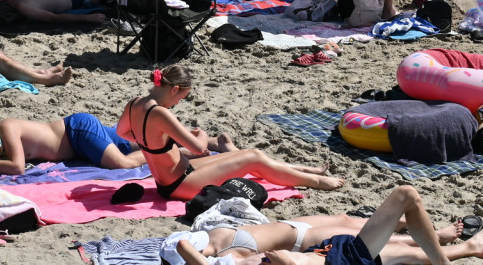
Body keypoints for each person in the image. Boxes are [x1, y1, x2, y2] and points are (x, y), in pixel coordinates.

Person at [117, 65, 343, 200]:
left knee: (250, 153)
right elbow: (199, 148)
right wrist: (201, 134)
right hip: (180, 185)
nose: (178, 102)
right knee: (252, 158)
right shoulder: (161, 113)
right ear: (174, 89)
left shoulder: (134, 103)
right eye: (181, 97)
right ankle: (314, 181)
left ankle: (301, 169)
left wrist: (149, 144)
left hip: (172, 178)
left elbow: (122, 132)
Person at [176, 185, 483, 265]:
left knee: (400, 207)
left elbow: (182, 245)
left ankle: (457, 245)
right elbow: (285, 259)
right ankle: (462, 248)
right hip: (342, 261)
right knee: (403, 249)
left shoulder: (214, 253)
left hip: (327, 248)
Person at [0, 114, 146, 179]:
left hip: (77, 132)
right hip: (80, 142)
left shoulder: (7, 127)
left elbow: (17, 168)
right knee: (138, 144)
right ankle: (169, 149)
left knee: (122, 163)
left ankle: (167, 154)